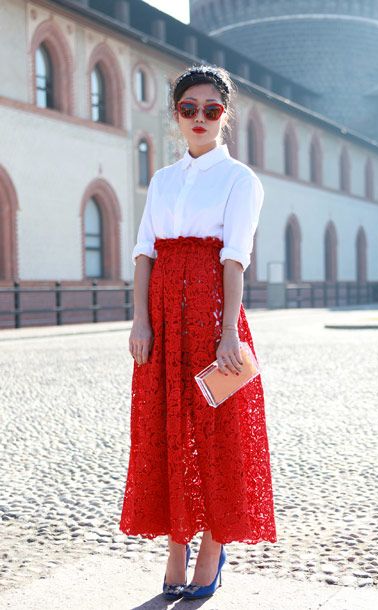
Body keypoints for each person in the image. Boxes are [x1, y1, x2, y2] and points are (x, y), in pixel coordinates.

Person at [119, 64, 277, 600]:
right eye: (189, 109)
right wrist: (140, 321)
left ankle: (212, 544)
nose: (200, 119)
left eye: (212, 110)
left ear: (225, 117)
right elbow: (145, 253)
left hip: (213, 319)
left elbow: (235, 259)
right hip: (162, 321)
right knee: (166, 431)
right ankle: (176, 544)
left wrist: (228, 332)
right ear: (175, 116)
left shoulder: (240, 180)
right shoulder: (162, 180)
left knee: (218, 434)